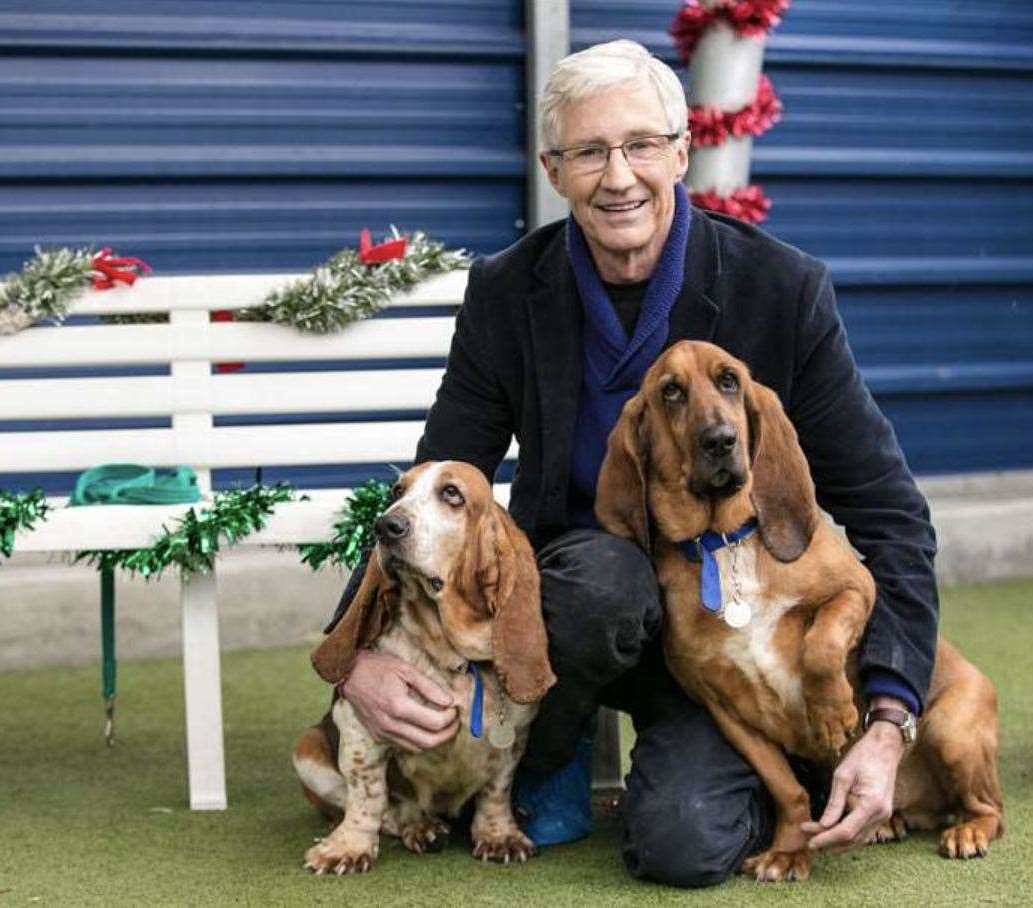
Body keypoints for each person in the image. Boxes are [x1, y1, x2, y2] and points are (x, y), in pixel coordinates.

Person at [324, 39, 938, 887]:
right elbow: (440, 472)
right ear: (553, 168)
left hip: (726, 646)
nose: (618, 176)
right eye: (589, 151)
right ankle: (550, 744)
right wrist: (353, 656)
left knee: (682, 847)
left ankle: (749, 767)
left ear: (682, 152)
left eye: (642, 145)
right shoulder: (509, 290)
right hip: (574, 611)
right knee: (608, 581)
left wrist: (890, 716)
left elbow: (890, 512)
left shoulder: (780, 290)